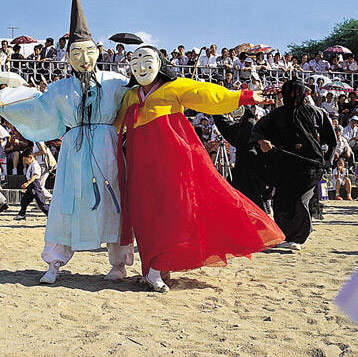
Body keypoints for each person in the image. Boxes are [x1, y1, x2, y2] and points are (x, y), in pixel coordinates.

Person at [0, 0, 134, 284]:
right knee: (65, 202)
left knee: (113, 201)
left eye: (88, 52)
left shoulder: (114, 82)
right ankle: (54, 262)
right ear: (67, 57)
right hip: (74, 150)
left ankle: (119, 263)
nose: (83, 59)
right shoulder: (58, 88)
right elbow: (37, 110)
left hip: (107, 148)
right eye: (76, 54)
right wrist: (4, 106)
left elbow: (136, 100)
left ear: (98, 52)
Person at [114, 45, 284, 292]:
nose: (141, 66)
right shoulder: (130, 96)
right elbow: (114, 121)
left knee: (173, 212)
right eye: (135, 61)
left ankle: (155, 269)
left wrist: (242, 96)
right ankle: (154, 267)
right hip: (142, 166)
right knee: (146, 215)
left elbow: (206, 94)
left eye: (147, 60)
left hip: (173, 162)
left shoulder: (174, 87)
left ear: (160, 63)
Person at [251, 78, 336, 251]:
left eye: (297, 93)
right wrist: (262, 141)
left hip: (309, 166)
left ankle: (297, 237)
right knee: (281, 201)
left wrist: (327, 158)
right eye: (290, 93)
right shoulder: (277, 114)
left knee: (300, 201)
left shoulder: (316, 112)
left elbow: (330, 139)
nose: (294, 96)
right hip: (285, 164)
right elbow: (258, 130)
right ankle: (283, 235)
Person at [213, 106, 270, 213]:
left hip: (250, 167)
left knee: (252, 201)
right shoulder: (247, 124)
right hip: (247, 166)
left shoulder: (249, 124)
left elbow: (230, 130)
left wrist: (216, 112)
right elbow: (229, 129)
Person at [14, 151, 49, 220]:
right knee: (24, 201)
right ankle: (21, 214)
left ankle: (49, 213)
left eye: (25, 160)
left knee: (40, 201)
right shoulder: (31, 165)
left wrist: (27, 183)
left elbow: (35, 175)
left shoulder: (35, 165)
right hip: (31, 185)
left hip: (34, 184)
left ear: (30, 157)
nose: (25, 162)